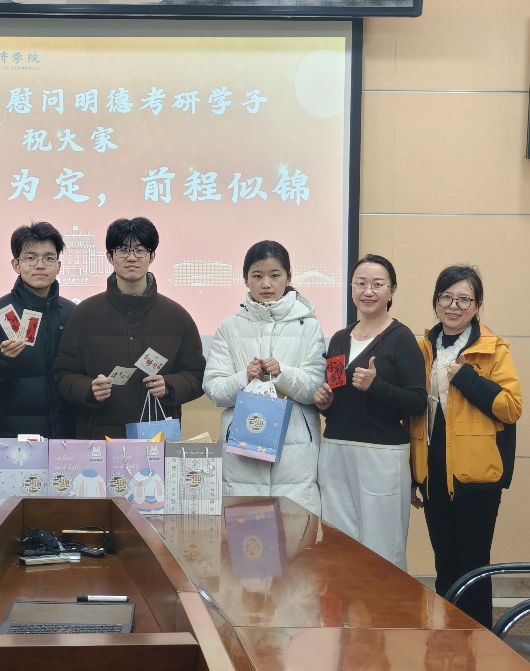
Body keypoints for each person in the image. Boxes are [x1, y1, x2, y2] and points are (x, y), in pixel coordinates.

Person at [410, 265, 521, 628]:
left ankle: (479, 644)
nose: (453, 306)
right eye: (446, 297)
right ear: (436, 301)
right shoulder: (422, 349)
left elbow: (511, 407)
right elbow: (413, 416)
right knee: (444, 564)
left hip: (477, 475)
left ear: (477, 305)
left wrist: (467, 378)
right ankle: (448, 642)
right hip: (433, 472)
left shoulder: (493, 349)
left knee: (473, 565)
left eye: (463, 299)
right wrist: (413, 475)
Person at [314, 254, 426, 571]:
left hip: (382, 454)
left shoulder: (401, 338)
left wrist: (376, 386)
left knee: (382, 547)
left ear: (392, 290)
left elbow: (418, 402)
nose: (368, 291)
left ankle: (387, 605)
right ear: (351, 288)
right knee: (339, 545)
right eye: (360, 283)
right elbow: (336, 393)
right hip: (336, 449)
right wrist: (325, 402)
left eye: (378, 284)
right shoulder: (339, 339)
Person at [53, 217, 205, 439]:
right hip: (99, 439)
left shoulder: (177, 317)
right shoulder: (84, 314)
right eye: (123, 249)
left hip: (157, 437)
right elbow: (63, 374)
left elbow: (197, 375)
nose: (132, 257)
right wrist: (88, 388)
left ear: (152, 256)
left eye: (140, 250)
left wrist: (170, 385)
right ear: (110, 256)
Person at [203, 240, 325, 515]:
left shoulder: (309, 326)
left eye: (275, 275)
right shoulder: (229, 328)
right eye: (257, 276)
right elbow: (214, 390)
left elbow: (315, 388)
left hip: (294, 450)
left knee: (296, 533)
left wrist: (283, 373)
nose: (266, 284)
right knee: (245, 532)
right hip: (242, 450)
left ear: (289, 277)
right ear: (245, 280)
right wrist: (243, 377)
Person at [0, 222, 76, 438]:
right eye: (31, 258)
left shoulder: (73, 314)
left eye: (49, 258)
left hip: (64, 436)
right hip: (10, 437)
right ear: (16, 264)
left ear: (58, 266)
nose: (40, 265)